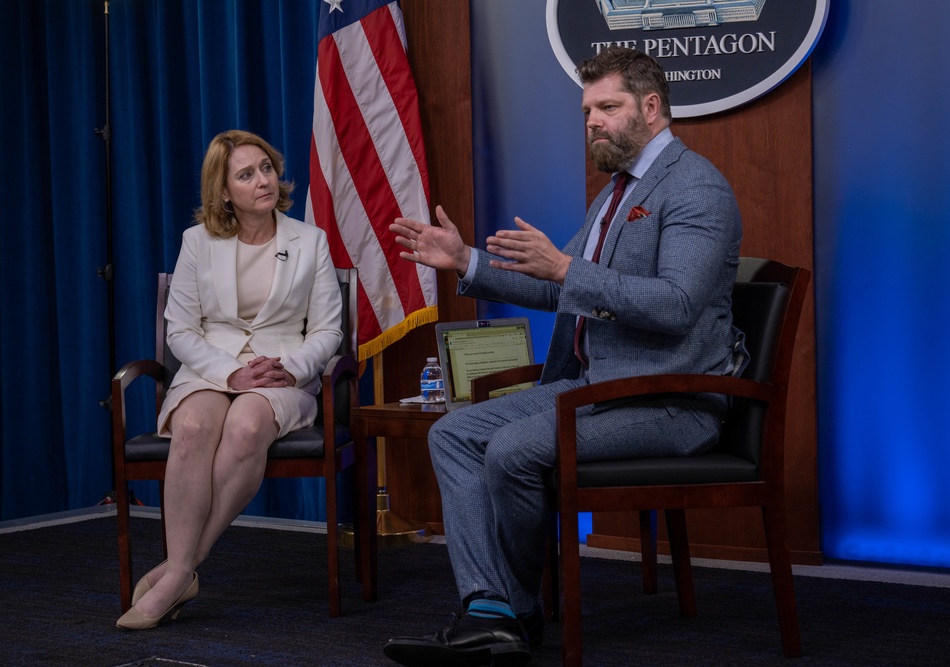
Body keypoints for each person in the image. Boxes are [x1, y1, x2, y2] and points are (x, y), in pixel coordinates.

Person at [382, 46, 746, 666]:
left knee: (513, 450)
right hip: (596, 387)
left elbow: (678, 305)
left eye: (608, 107)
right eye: (587, 110)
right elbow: (558, 284)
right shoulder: (615, 193)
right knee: (452, 434)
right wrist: (465, 260)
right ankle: (490, 609)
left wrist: (569, 268)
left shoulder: (695, 187)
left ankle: (512, 610)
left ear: (651, 108)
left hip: (669, 399)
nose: (593, 122)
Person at [116, 130, 343, 630]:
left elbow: (328, 328)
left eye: (266, 167)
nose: (263, 180)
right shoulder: (197, 242)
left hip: (281, 374)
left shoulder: (310, 241)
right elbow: (180, 330)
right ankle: (183, 569)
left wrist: (293, 368)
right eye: (246, 175)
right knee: (194, 427)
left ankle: (178, 570)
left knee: (244, 427)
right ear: (223, 192)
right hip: (212, 369)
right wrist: (230, 372)